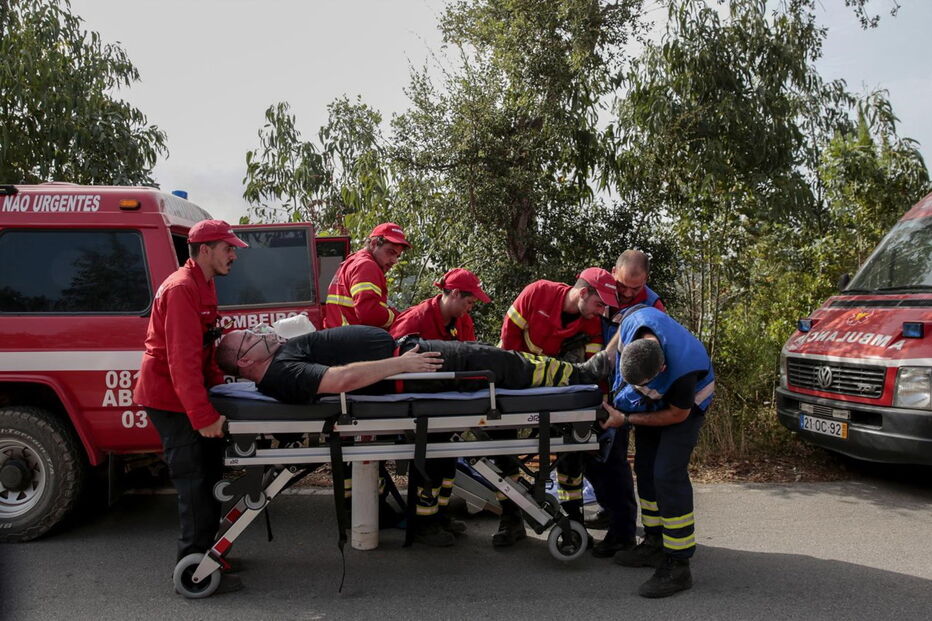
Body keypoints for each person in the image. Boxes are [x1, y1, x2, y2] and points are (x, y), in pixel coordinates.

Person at [133, 219, 249, 595]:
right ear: (204, 250)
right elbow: (181, 362)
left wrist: (221, 395)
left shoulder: (204, 284)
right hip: (170, 400)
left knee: (212, 474)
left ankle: (211, 552)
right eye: (227, 248)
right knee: (194, 482)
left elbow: (206, 348)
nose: (233, 254)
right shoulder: (182, 290)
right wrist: (203, 418)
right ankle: (195, 564)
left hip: (187, 395)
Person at [494, 268, 616, 547]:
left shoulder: (591, 323)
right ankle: (510, 519)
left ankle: (574, 521)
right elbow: (509, 339)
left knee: (573, 450)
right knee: (501, 446)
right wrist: (518, 387)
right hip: (516, 382)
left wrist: (601, 397)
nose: (601, 311)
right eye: (599, 304)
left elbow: (595, 366)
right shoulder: (538, 293)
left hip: (559, 393)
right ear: (583, 292)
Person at [599, 306, 714, 598]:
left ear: (661, 369)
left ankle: (678, 565)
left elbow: (677, 414)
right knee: (646, 470)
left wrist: (626, 418)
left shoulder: (684, 370)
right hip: (652, 405)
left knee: (667, 475)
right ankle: (654, 542)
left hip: (683, 411)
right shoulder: (633, 324)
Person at [215, 325, 603, 402]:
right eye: (249, 337)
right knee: (497, 363)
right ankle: (584, 376)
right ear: (246, 360)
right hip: (409, 366)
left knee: (493, 356)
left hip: (405, 354)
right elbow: (338, 379)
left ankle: (580, 373)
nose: (260, 332)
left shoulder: (280, 357)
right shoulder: (282, 374)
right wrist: (399, 364)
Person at [389, 268, 491, 546]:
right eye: (469, 302)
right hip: (419, 405)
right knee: (429, 463)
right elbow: (393, 360)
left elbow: (470, 357)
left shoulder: (463, 321)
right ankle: (423, 524)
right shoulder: (416, 319)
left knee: (446, 463)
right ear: (455, 293)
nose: (470, 308)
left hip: (447, 404)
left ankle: (438, 516)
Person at [587, 249, 666, 554]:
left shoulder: (653, 305)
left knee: (614, 460)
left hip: (630, 395)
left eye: (637, 288)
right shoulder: (600, 293)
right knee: (596, 458)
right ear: (613, 273)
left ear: (646, 280)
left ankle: (622, 533)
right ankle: (611, 510)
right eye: (623, 287)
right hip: (598, 386)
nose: (630, 294)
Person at [323, 222, 409, 330]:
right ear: (373, 244)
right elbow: (369, 313)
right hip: (352, 341)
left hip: (339, 337)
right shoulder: (366, 266)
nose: (394, 260)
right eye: (390, 252)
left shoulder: (353, 261)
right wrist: (399, 318)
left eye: (397, 255)